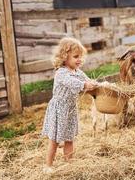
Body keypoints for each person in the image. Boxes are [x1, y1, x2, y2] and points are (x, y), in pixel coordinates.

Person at [41, 37, 97, 173]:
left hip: (71, 109)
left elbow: (87, 79)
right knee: (54, 139)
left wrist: (95, 84)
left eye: (80, 57)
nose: (79, 60)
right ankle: (48, 166)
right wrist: (84, 85)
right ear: (65, 57)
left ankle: (69, 162)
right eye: (75, 56)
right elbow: (72, 83)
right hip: (59, 108)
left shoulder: (77, 72)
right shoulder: (61, 73)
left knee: (69, 138)